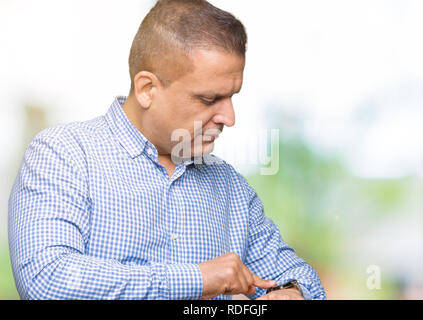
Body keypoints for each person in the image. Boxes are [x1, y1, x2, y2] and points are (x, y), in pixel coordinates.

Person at [8, 0, 326, 300]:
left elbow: (301, 278)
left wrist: (294, 291)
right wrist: (198, 279)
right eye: (208, 99)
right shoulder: (63, 155)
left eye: (232, 96)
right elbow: (46, 280)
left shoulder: (230, 187)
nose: (229, 118)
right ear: (147, 89)